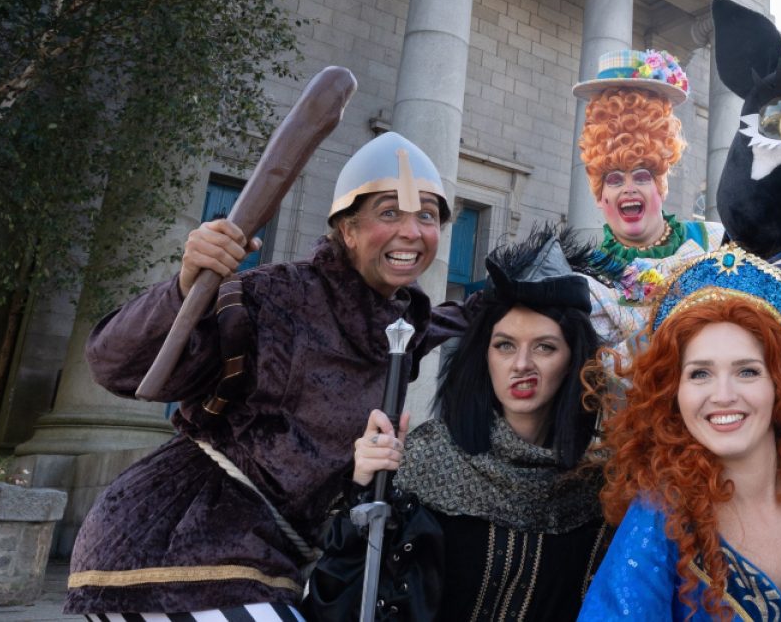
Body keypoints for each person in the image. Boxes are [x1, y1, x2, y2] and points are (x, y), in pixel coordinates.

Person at [67, 132, 473, 619]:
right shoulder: (275, 298)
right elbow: (115, 365)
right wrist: (184, 287)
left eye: (426, 216)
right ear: (347, 229)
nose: (411, 231)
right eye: (389, 213)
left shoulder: (401, 327)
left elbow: (464, 318)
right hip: (168, 549)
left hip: (268, 560)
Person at [580, 247, 781, 620]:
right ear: (674, 392)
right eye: (700, 374)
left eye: (747, 371)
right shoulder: (660, 513)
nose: (723, 395)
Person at [304, 226, 609, 621]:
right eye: (505, 345)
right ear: (484, 355)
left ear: (573, 361)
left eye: (545, 347)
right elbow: (336, 604)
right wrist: (363, 496)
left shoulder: (597, 491)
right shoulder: (424, 464)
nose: (521, 365)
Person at [574, 48, 723, 349]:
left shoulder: (715, 242)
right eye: (615, 180)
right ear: (601, 197)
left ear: (661, 186)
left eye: (641, 176)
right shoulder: (586, 276)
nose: (629, 188)